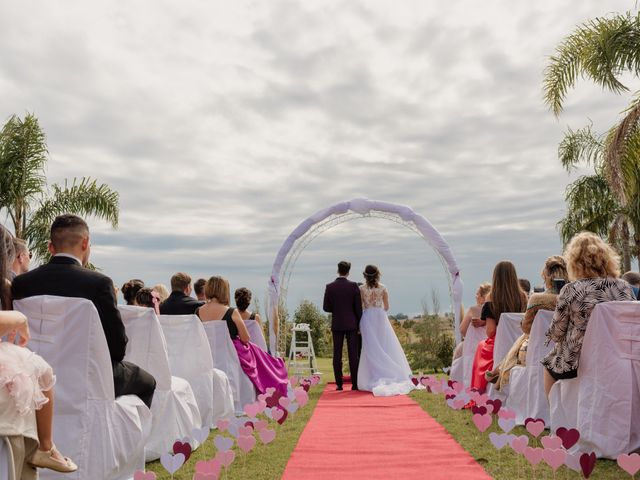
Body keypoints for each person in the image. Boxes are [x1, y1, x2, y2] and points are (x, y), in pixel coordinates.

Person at [11, 215, 156, 408]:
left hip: (33, 375)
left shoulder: (21, 284)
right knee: (148, 383)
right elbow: (117, 347)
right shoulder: (99, 284)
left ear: (50, 247)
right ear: (85, 242)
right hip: (87, 377)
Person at [0, 225, 77, 474]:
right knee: (43, 371)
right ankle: (46, 446)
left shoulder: (16, 283)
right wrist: (18, 319)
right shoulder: (10, 284)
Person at [542, 232, 635, 397]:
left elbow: (556, 334)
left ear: (574, 262)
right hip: (620, 356)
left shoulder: (571, 289)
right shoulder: (624, 287)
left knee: (548, 366)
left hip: (578, 361)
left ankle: (557, 417)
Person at [486, 256, 568, 390]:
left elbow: (526, 328)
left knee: (524, 337)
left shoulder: (537, 299)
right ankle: (499, 369)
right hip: (567, 348)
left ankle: (500, 369)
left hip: (537, 351)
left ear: (546, 276)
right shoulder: (574, 296)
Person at [197, 276, 288, 397]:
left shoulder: (197, 311)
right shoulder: (231, 312)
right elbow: (246, 338)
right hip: (228, 360)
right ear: (223, 291)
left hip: (206, 359)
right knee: (255, 354)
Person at [357, 265, 416, 396]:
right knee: (385, 345)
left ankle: (373, 373)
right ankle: (389, 370)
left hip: (367, 318)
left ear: (365, 275)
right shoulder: (383, 288)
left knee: (369, 348)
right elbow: (387, 307)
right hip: (380, 317)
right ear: (378, 274)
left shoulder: (361, 289)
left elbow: (360, 306)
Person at [470, 261, 527, 393]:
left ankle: (479, 390)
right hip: (520, 343)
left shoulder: (491, 297)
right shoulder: (523, 297)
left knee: (481, 346)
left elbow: (491, 332)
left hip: (499, 344)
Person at [323, 261, 362, 391]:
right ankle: (355, 384)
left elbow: (326, 307)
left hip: (337, 324)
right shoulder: (354, 286)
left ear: (338, 270)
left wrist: (337, 309)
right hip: (352, 324)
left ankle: (339, 384)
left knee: (337, 354)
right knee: (353, 355)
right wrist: (359, 324)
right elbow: (358, 308)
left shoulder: (329, 287)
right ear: (348, 271)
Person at [452, 283, 491, 362]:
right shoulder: (495, 310)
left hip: (473, 349)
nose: (475, 296)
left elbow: (462, 330)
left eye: (477, 294)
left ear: (483, 297)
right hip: (490, 347)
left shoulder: (473, 310)